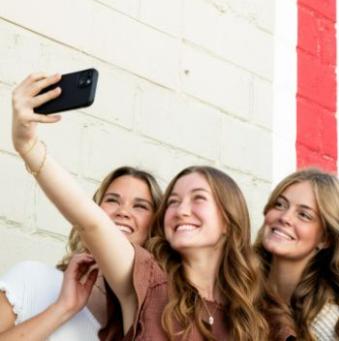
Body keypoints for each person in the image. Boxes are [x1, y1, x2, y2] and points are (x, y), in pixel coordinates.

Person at [10, 73, 268, 341]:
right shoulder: (150, 283)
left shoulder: (248, 318)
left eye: (198, 198)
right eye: (173, 201)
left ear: (229, 220)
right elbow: (91, 221)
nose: (181, 210)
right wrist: (29, 147)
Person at [0, 163, 162, 340]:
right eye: (112, 200)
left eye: (140, 206)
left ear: (154, 226)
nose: (123, 212)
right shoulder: (32, 279)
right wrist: (63, 308)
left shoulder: (150, 321)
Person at [255, 168, 339, 341]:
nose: (285, 217)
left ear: (326, 238)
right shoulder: (239, 284)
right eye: (280, 204)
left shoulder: (332, 324)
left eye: (304, 215)